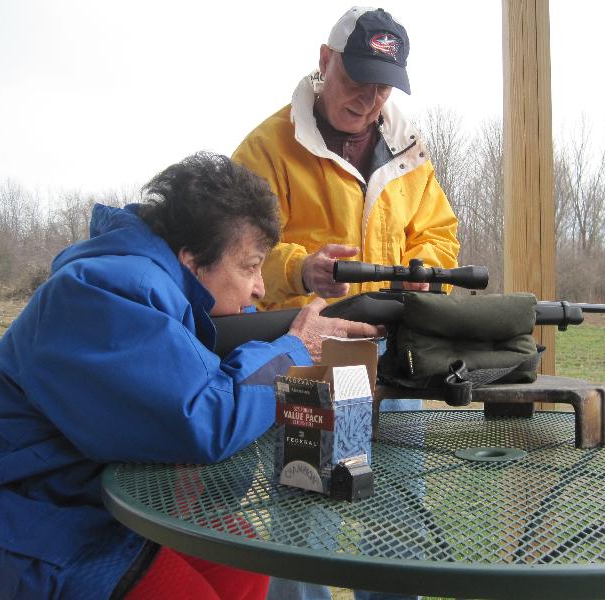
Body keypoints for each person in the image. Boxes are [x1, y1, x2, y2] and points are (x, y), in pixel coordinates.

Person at [0, 152, 384, 600]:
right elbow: (202, 421)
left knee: (240, 558)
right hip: (19, 519)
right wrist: (295, 350)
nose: (260, 288)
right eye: (250, 266)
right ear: (191, 260)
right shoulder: (104, 292)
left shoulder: (162, 291)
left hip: (83, 497)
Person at [233, 6, 459, 600]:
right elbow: (233, 253)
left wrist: (424, 273)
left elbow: (438, 235)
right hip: (311, 358)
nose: (369, 98)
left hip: (395, 360)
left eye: (383, 86)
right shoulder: (268, 148)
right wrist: (299, 267)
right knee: (306, 515)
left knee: (400, 514)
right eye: (358, 79)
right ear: (325, 61)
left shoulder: (409, 152)